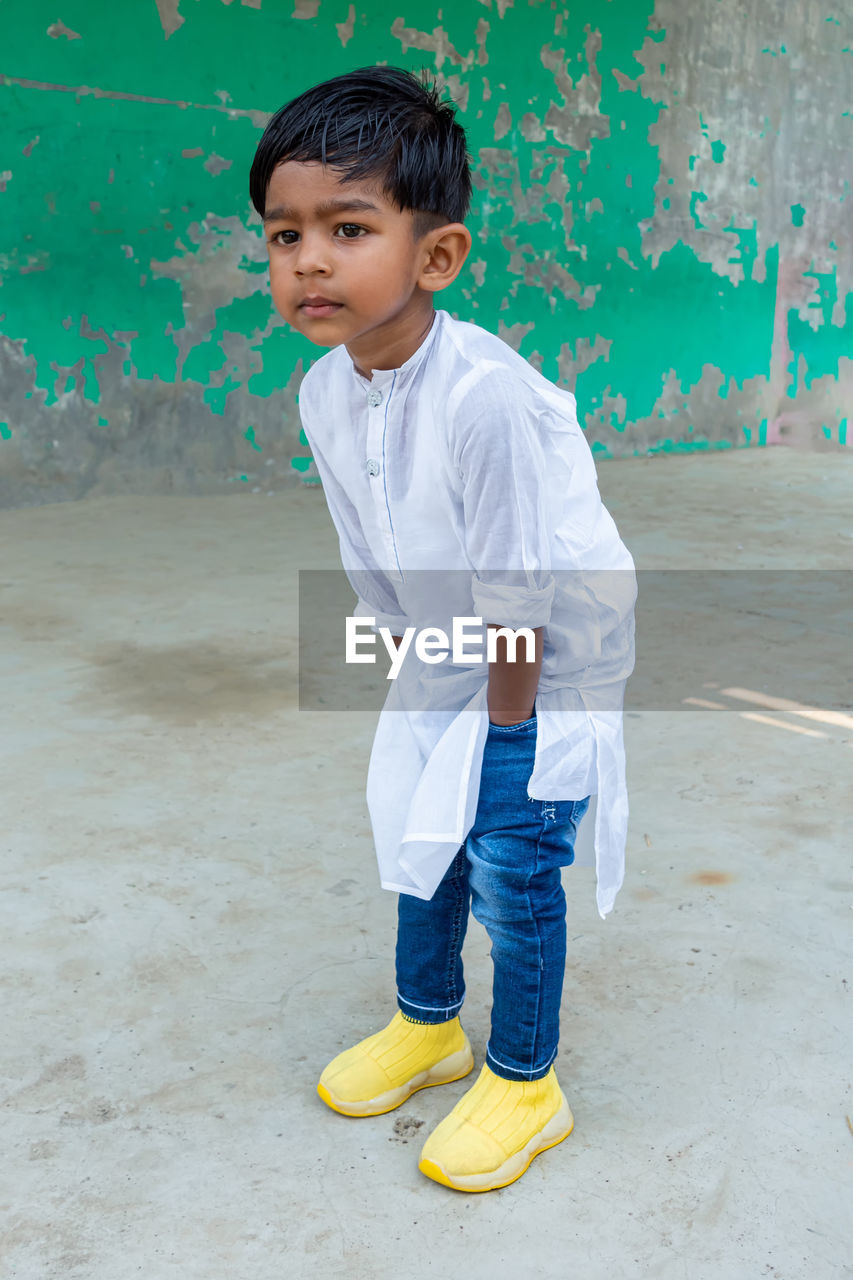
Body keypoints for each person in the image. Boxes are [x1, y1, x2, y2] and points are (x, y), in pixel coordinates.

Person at [249, 65, 637, 1193]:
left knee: (511, 859)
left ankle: (525, 1079)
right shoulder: (328, 390)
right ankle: (430, 1024)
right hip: (445, 643)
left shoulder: (486, 400)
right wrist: (416, 679)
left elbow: (521, 593)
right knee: (418, 830)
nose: (308, 259)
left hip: (543, 658)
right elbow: (374, 558)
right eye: (283, 234)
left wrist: (503, 737)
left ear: (437, 256)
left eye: (347, 227)